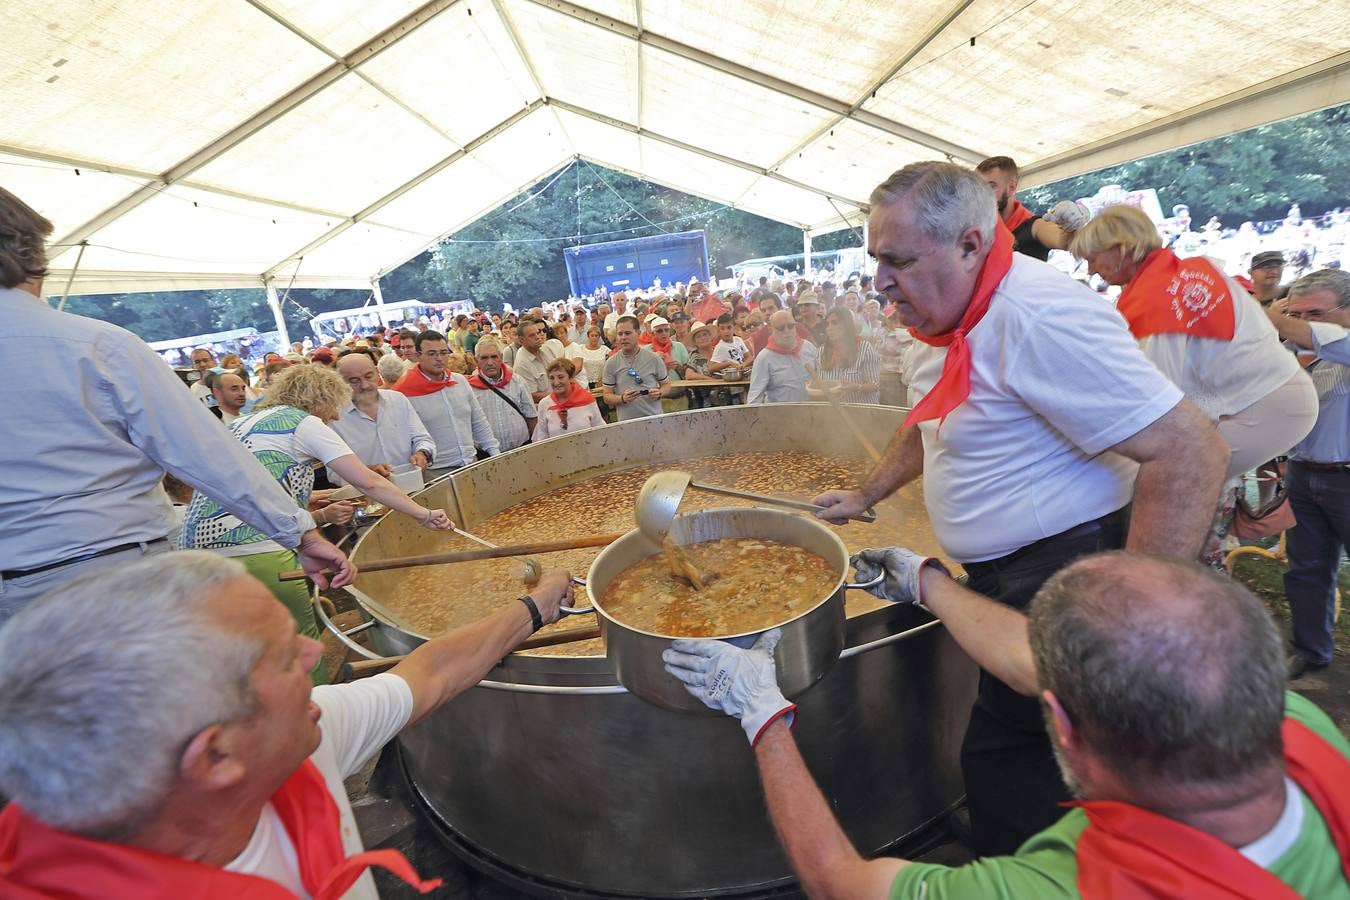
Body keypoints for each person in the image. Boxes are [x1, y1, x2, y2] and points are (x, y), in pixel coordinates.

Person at [812, 162, 1229, 856]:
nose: (880, 281)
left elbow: (1190, 453)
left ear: (972, 244)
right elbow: (928, 424)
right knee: (1010, 753)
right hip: (1003, 576)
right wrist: (867, 494)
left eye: (899, 260)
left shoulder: (1039, 317)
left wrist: (1128, 625)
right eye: (875, 259)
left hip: (1064, 575)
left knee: (1023, 763)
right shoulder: (945, 319)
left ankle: (1038, 867)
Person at [663, 551, 1349, 899]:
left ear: (1060, 725)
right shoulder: (1299, 723)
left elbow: (838, 881)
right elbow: (1030, 660)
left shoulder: (1056, 888)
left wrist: (762, 714)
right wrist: (926, 582)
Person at [0, 551, 575, 899]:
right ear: (215, 758)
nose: (312, 652)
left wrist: (536, 605)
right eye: (280, 657)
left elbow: (432, 672)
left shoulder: (293, 738)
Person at [0, 186, 353, 621]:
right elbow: (206, 454)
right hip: (117, 575)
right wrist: (299, 533)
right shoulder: (98, 346)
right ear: (32, 257)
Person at [179, 365, 452, 682]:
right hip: (257, 550)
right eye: (333, 406)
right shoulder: (303, 423)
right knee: (297, 647)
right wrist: (424, 514)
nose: (335, 417)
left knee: (247, 658)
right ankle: (322, 717)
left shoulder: (242, 423)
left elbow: (259, 483)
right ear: (319, 398)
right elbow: (369, 482)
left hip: (197, 558)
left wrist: (315, 496)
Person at [1071, 205, 1317, 482]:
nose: (1091, 269)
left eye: (1092, 258)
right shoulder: (1193, 270)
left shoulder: (1154, 301)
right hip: (1272, 395)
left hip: (1262, 405)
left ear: (1122, 249)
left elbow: (1156, 394)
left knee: (1165, 482)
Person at [1263, 269, 1350, 678]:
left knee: (1310, 568)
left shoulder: (1336, 346)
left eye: (1314, 313)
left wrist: (1269, 316)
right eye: (1297, 314)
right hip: (1303, 473)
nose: (1303, 324)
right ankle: (1310, 650)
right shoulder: (1295, 352)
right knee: (1305, 569)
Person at [391, 330, 500, 473]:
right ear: (418, 356)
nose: (439, 358)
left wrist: (495, 453)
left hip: (471, 463)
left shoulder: (459, 381)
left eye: (443, 352)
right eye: (432, 354)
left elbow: (478, 421)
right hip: (435, 472)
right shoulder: (403, 392)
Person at [327, 352, 435, 483]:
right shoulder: (333, 417)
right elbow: (334, 474)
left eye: (369, 376)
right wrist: (367, 472)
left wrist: (422, 453)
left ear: (378, 373)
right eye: (354, 381)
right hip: (369, 496)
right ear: (340, 382)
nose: (365, 385)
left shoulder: (398, 400)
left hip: (412, 485)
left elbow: (422, 438)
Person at [976, 156, 1079, 260]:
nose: (982, 194)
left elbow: (1069, 242)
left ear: (1011, 188)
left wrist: (1072, 227)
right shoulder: (979, 227)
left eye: (991, 186)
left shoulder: (1035, 226)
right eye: (978, 187)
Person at [468, 338, 536, 452]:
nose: (490, 363)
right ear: (476, 360)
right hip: (486, 455)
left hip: (521, 448)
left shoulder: (517, 381)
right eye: (484, 358)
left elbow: (531, 416)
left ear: (501, 357)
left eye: (494, 357)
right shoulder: (469, 388)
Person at [602, 315, 668, 421]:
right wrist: (622, 398)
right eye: (620, 334)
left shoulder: (654, 358)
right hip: (627, 423)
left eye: (627, 333)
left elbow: (666, 384)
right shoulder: (611, 363)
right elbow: (607, 396)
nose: (623, 337)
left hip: (655, 419)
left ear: (638, 333)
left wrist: (659, 393)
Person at [747, 310, 819, 404]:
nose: (787, 331)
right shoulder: (764, 358)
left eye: (790, 326)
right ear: (771, 329)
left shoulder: (808, 348)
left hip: (811, 414)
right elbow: (754, 398)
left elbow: (822, 378)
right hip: (781, 416)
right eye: (781, 328)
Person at [816, 307, 881, 404]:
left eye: (835, 323)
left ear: (847, 325)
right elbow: (821, 383)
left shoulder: (864, 348)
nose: (829, 328)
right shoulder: (822, 352)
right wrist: (814, 385)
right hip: (833, 412)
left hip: (863, 412)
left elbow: (875, 384)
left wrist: (857, 387)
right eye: (827, 324)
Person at [533, 358, 605, 441]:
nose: (556, 382)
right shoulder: (544, 404)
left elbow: (601, 431)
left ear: (571, 378)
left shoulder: (587, 400)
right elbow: (542, 437)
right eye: (552, 378)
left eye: (561, 377)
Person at [514, 317, 569, 400]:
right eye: (532, 335)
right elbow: (532, 395)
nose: (538, 337)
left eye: (538, 333)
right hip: (545, 407)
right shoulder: (521, 364)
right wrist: (560, 395)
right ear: (522, 340)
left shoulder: (547, 348)